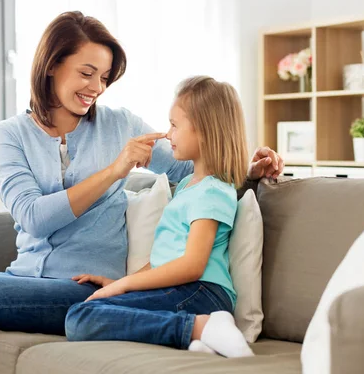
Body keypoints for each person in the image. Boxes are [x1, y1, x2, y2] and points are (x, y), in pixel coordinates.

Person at [0, 11, 283, 374]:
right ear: (53, 65)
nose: (97, 87)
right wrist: (114, 171)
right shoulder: (10, 135)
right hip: (24, 279)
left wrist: (249, 168)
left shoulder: (119, 124)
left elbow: (193, 166)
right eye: (87, 73)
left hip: (80, 285)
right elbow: (33, 217)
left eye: (105, 77)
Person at [65, 75, 254, 358]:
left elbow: (192, 265)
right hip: (183, 290)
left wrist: (126, 284)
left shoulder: (213, 191)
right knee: (82, 314)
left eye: (175, 126)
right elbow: (164, 260)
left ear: (204, 131)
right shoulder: (191, 185)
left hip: (201, 293)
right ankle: (197, 341)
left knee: (81, 318)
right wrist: (117, 284)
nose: (168, 134)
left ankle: (202, 327)